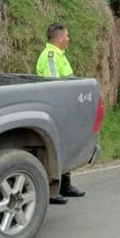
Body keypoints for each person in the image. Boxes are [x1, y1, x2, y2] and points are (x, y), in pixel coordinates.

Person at [36, 23, 86, 205]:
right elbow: (54, 86)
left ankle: (65, 185)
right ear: (59, 38)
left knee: (65, 147)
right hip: (55, 110)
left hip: (64, 109)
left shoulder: (60, 56)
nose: (69, 39)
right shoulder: (50, 55)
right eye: (67, 36)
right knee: (55, 149)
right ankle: (52, 191)